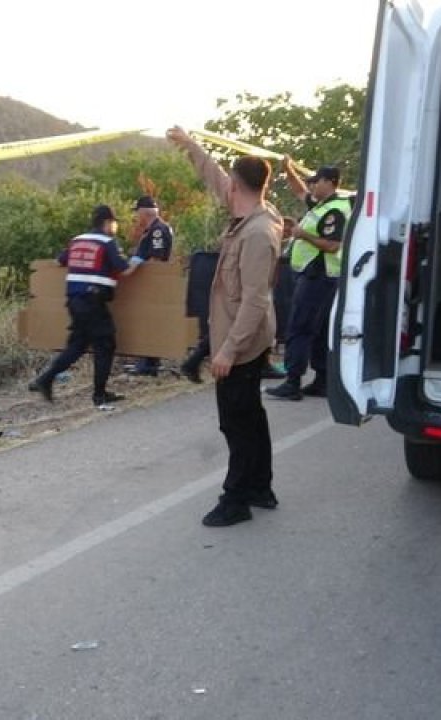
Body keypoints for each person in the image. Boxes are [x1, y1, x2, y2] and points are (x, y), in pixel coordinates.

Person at [167, 126, 282, 528]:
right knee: (251, 416)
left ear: (237, 185)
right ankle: (260, 486)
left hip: (242, 341)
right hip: (241, 336)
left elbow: (255, 299)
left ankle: (236, 499)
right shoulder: (250, 211)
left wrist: (228, 350)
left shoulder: (257, 233)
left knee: (235, 421)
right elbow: (214, 176)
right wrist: (190, 146)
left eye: (228, 182)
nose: (223, 186)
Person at [28, 204, 136, 407]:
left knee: (77, 345)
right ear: (107, 223)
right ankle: (99, 395)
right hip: (93, 301)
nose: (115, 227)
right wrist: (137, 261)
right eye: (114, 223)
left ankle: (45, 379)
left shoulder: (77, 241)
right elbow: (125, 270)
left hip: (75, 301)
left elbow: (60, 261)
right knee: (106, 344)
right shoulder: (107, 242)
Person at [265, 163, 351, 401]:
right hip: (317, 275)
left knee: (299, 327)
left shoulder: (335, 210)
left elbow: (333, 245)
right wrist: (288, 169)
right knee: (319, 329)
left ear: (331, 182)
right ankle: (321, 381)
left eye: (317, 181)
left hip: (319, 274)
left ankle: (292, 381)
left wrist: (303, 235)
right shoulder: (323, 206)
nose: (312, 185)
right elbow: (300, 191)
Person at [124, 195, 175, 377]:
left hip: (154, 283)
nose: (137, 216)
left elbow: (156, 258)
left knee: (149, 321)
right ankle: (149, 362)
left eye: (137, 212)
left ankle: (148, 364)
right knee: (151, 321)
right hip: (153, 283)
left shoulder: (158, 230)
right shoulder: (153, 229)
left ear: (144, 212)